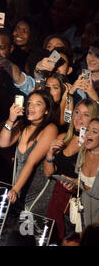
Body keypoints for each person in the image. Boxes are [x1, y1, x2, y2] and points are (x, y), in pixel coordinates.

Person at [44, 99, 99, 243]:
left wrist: (77, 184)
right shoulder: (64, 138)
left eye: (86, 115)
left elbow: (92, 185)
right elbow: (48, 173)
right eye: (77, 112)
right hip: (56, 200)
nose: (79, 118)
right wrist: (50, 153)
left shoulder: (91, 148)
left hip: (76, 207)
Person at [0, 90, 58, 216]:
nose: (31, 107)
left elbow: (31, 162)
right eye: (29, 103)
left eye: (38, 104)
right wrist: (11, 119)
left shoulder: (50, 129)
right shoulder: (22, 126)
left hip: (37, 196)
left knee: (30, 232)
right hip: (19, 191)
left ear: (47, 110)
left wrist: (15, 189)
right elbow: (3, 143)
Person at [62, 118, 99, 230]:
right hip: (81, 217)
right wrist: (72, 184)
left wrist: (79, 184)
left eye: (95, 131)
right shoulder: (83, 150)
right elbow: (80, 184)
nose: (88, 134)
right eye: (87, 129)